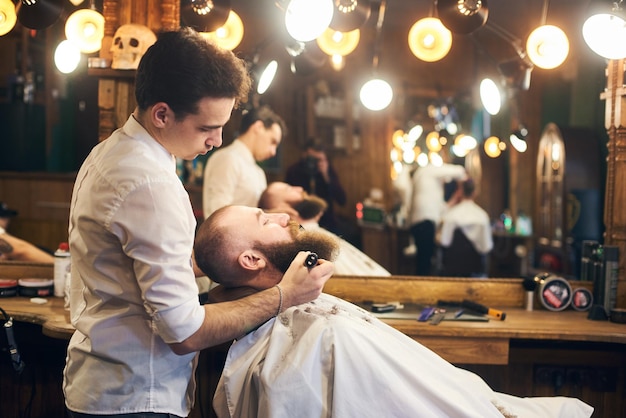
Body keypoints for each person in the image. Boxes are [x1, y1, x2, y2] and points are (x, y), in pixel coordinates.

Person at [63, 28, 334, 418]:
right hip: (135, 396)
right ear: (162, 114)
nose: (217, 140)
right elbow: (184, 333)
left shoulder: (113, 152)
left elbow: (137, 266)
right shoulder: (150, 184)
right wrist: (285, 295)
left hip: (106, 383)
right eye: (207, 128)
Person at [193, 205, 594, 418]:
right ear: (250, 259)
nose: (284, 216)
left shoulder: (304, 317)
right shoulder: (322, 340)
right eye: (266, 220)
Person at [259, 181, 391, 276]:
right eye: (288, 189)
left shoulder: (313, 231)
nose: (299, 187)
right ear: (278, 207)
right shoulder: (306, 242)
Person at [202, 105, 286, 219]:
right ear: (258, 127)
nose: (273, 152)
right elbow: (217, 215)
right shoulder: (227, 158)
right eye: (273, 142)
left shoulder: (258, 172)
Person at [408, 162, 467, 276]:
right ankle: (423, 291)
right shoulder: (429, 170)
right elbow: (459, 170)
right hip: (424, 224)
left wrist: (455, 198)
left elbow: (441, 209)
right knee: (425, 265)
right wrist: (466, 178)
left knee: (424, 263)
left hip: (419, 225)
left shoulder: (427, 185)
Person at [284, 139, 349, 239]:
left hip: (327, 222)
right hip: (302, 222)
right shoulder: (294, 171)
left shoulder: (327, 171)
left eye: (318, 159)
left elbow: (342, 200)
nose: (313, 162)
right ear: (304, 154)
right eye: (311, 158)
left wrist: (326, 176)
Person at [439, 178, 494, 277]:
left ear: (460, 192)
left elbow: (444, 242)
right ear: (475, 192)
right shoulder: (482, 216)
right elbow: (486, 247)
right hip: (476, 271)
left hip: (452, 270)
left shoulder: (451, 215)